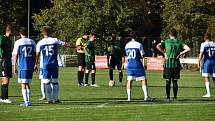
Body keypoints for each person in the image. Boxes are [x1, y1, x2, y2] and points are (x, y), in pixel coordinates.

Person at [35, 26, 71, 104]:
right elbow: (65, 44)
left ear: (42, 33)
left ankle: (49, 100)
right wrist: (76, 46)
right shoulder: (55, 40)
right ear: (50, 32)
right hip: (54, 64)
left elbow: (37, 54)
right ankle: (56, 99)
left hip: (45, 65)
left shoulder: (40, 43)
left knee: (46, 82)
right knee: (55, 82)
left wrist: (35, 64)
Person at [156, 28, 190, 101]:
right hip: (176, 64)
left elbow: (157, 46)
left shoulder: (166, 42)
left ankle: (168, 98)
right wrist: (180, 53)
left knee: (168, 81)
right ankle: (175, 98)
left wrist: (164, 53)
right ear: (176, 34)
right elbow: (188, 49)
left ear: (169, 34)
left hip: (168, 64)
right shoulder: (179, 42)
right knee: (175, 81)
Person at [13, 27, 36, 107]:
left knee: (23, 83)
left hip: (23, 65)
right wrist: (35, 64)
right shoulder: (32, 42)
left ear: (20, 33)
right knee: (27, 84)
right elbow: (35, 54)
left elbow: (15, 55)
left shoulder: (18, 42)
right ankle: (28, 101)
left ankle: (26, 102)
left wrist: (14, 66)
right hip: (30, 65)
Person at [125, 32, 151, 101]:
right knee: (143, 79)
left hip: (130, 64)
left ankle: (129, 97)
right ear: (136, 37)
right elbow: (142, 55)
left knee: (129, 80)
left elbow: (127, 55)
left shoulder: (127, 45)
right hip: (137, 64)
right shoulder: (139, 44)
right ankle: (146, 96)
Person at [198, 33, 215, 98]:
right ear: (210, 37)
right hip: (214, 62)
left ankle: (208, 93)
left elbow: (201, 53)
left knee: (206, 77)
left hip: (207, 63)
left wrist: (198, 61)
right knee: (214, 78)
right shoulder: (214, 43)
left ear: (204, 38)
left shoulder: (203, 44)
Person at [0, 25, 14, 103]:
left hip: (9, 61)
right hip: (3, 62)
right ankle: (5, 98)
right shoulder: (2, 38)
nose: (13, 33)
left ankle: (2, 98)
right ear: (9, 31)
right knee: (5, 79)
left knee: (6, 79)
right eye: (12, 31)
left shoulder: (10, 40)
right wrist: (1, 56)